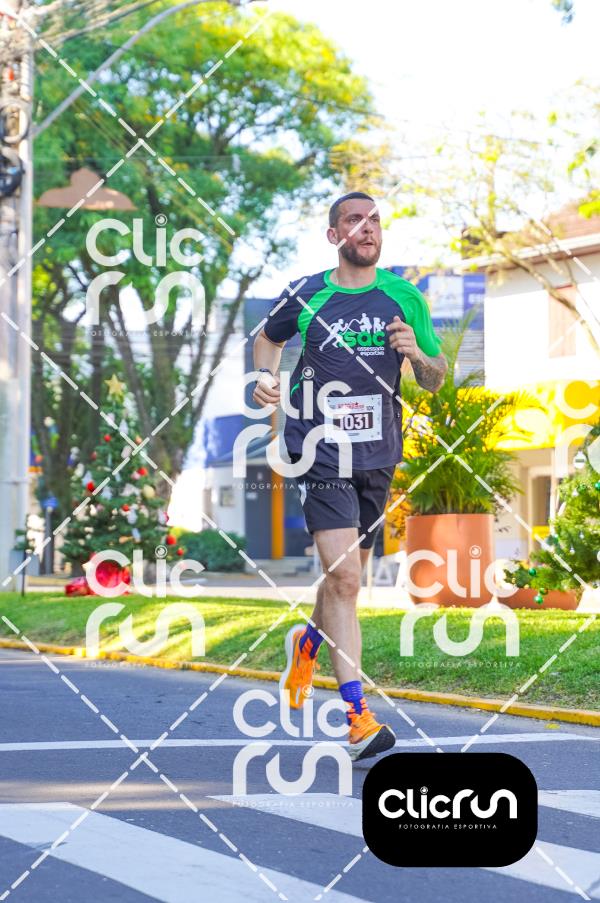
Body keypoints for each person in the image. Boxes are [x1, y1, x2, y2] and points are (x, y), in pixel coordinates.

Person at [252, 191, 447, 761]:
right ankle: (358, 718)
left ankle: (307, 643)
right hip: (318, 450)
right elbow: (267, 339)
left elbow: (436, 377)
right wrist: (266, 378)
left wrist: (417, 355)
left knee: (345, 577)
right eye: (355, 221)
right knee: (344, 581)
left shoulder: (404, 296)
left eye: (375, 220)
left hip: (377, 455)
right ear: (335, 235)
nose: (367, 229)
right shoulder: (307, 293)